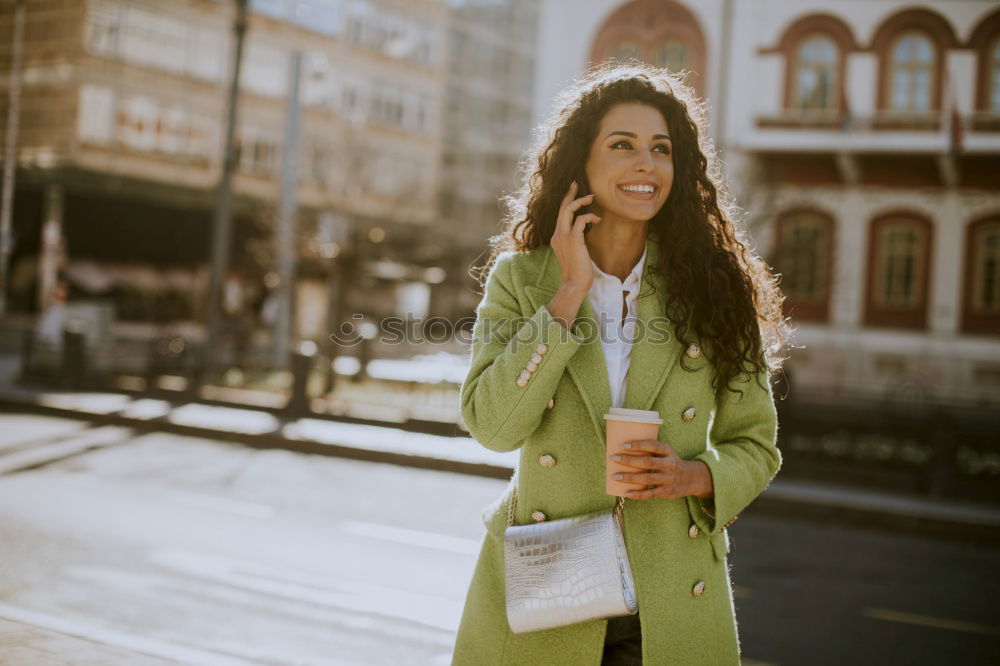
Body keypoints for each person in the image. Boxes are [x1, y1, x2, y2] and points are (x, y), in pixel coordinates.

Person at [452, 63, 790, 666]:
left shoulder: (715, 288)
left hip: (669, 599)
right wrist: (568, 293)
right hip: (549, 593)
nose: (647, 164)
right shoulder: (523, 278)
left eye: (661, 149)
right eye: (623, 145)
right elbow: (492, 427)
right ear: (580, 162)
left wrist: (696, 476)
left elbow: (757, 444)